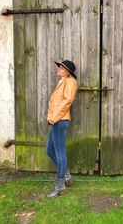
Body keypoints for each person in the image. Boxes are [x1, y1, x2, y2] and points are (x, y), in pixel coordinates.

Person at [46, 60, 77, 198]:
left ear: (68, 71)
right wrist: (51, 117)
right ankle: (66, 175)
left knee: (60, 153)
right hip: (56, 120)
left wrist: (55, 117)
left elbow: (67, 101)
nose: (59, 68)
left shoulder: (70, 82)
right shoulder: (63, 80)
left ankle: (60, 187)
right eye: (59, 66)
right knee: (50, 150)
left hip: (60, 120)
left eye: (62, 67)